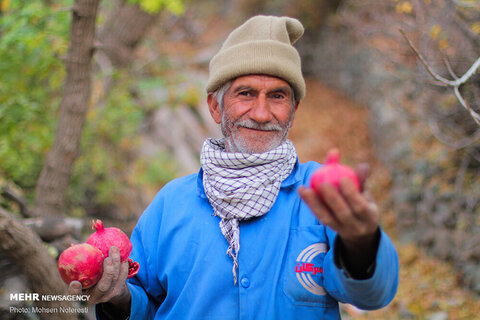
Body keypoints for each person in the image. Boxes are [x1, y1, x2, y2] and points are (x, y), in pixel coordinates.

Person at [69, 15, 399, 319]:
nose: (260, 112)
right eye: (246, 93)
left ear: (294, 109)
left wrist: (361, 244)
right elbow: (144, 304)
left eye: (278, 96)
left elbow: (370, 296)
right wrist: (119, 296)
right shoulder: (171, 205)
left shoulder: (319, 194)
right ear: (215, 106)